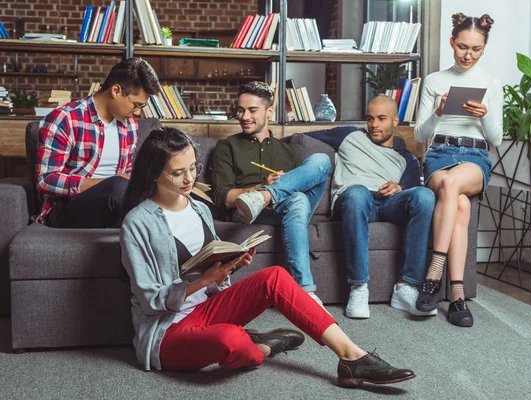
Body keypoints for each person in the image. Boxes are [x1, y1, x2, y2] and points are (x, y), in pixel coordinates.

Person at [119, 127, 416, 388]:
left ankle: (353, 357)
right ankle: (263, 347)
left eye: (192, 168)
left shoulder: (198, 208)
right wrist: (206, 279)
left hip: (207, 310)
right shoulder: (137, 223)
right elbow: (150, 300)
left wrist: (228, 266)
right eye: (177, 172)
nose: (189, 179)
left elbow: (211, 268)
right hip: (168, 331)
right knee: (230, 340)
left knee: (274, 276)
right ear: (155, 173)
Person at [304, 96, 436, 319]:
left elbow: (413, 193)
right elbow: (299, 138)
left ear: (395, 121)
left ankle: (406, 287)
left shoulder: (407, 159)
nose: (374, 125)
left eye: (381, 119)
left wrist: (399, 186)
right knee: (357, 192)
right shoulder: (348, 135)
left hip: (387, 204)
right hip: (353, 201)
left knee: (425, 195)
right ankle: (358, 288)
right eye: (370, 118)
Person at [414, 13, 503, 327]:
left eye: (475, 49)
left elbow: (495, 139)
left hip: (475, 157)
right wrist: (438, 111)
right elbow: (419, 135)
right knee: (460, 203)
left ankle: (432, 276)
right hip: (440, 153)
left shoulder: (491, 84)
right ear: (451, 42)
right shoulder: (435, 81)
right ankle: (457, 297)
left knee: (452, 185)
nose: (468, 54)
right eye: (462, 46)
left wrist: (485, 115)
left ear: (484, 48)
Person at [211, 81, 331, 305]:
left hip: (288, 207)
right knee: (296, 199)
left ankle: (268, 195)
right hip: (248, 211)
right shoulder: (227, 147)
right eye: (240, 110)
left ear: (269, 111)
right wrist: (258, 187)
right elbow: (222, 197)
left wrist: (276, 188)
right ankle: (306, 292)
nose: (244, 116)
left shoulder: (288, 151)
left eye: (252, 110)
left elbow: (305, 187)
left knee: (321, 161)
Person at [34, 57, 161, 228]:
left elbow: (126, 172)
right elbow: (45, 180)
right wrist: (107, 182)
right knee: (118, 187)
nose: (137, 113)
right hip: (66, 208)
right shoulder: (65, 119)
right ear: (116, 91)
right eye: (136, 105)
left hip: (117, 202)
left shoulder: (129, 125)